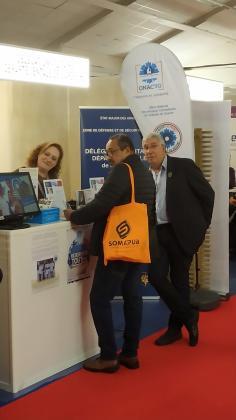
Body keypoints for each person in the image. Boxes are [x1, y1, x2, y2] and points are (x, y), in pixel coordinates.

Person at [64, 133, 156, 373]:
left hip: (118, 246)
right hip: (137, 243)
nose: (108, 157)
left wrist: (74, 215)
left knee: (99, 298)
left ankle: (108, 356)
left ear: (126, 150)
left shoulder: (122, 170)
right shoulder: (144, 172)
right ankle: (130, 353)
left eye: (111, 151)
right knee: (133, 297)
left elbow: (101, 204)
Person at [142, 133, 215, 347]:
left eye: (153, 146)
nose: (149, 151)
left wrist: (201, 226)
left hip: (181, 233)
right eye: (145, 147)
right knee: (155, 277)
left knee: (180, 280)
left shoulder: (183, 166)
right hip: (158, 232)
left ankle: (174, 329)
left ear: (164, 148)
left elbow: (207, 195)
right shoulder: (145, 175)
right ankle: (189, 316)